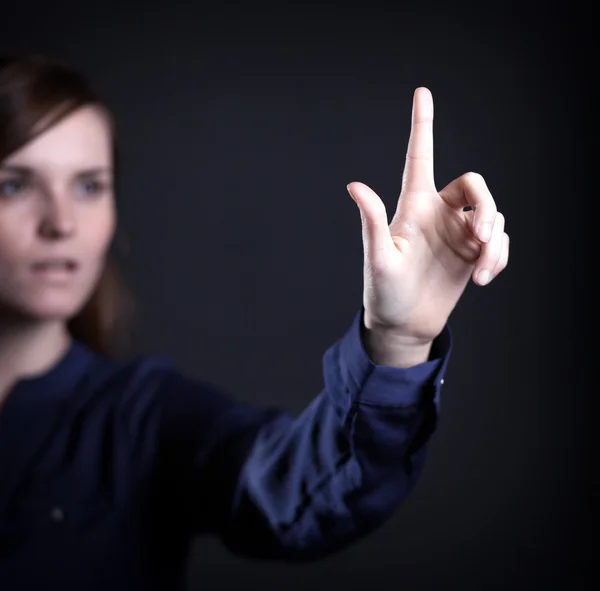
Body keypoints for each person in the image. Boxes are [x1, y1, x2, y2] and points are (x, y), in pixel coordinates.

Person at [0, 54, 509, 590]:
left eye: (88, 186)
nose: (60, 223)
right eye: (14, 185)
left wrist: (398, 341)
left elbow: (298, 494)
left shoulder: (142, 416)